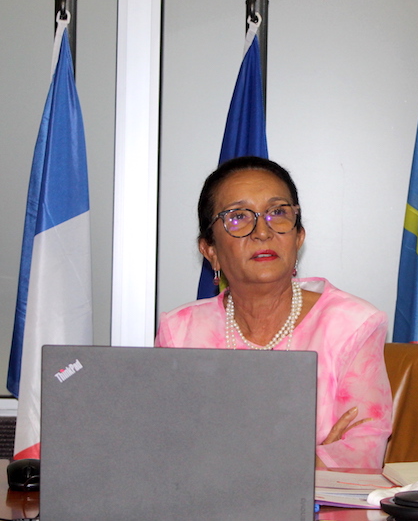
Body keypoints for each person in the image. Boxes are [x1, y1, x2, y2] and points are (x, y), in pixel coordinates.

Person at [155, 156, 392, 469]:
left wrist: (226, 460)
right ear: (210, 251)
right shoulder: (180, 332)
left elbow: (363, 453)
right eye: (238, 217)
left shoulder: (352, 324)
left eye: (278, 212)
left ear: (298, 237)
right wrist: (307, 461)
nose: (262, 232)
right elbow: (166, 450)